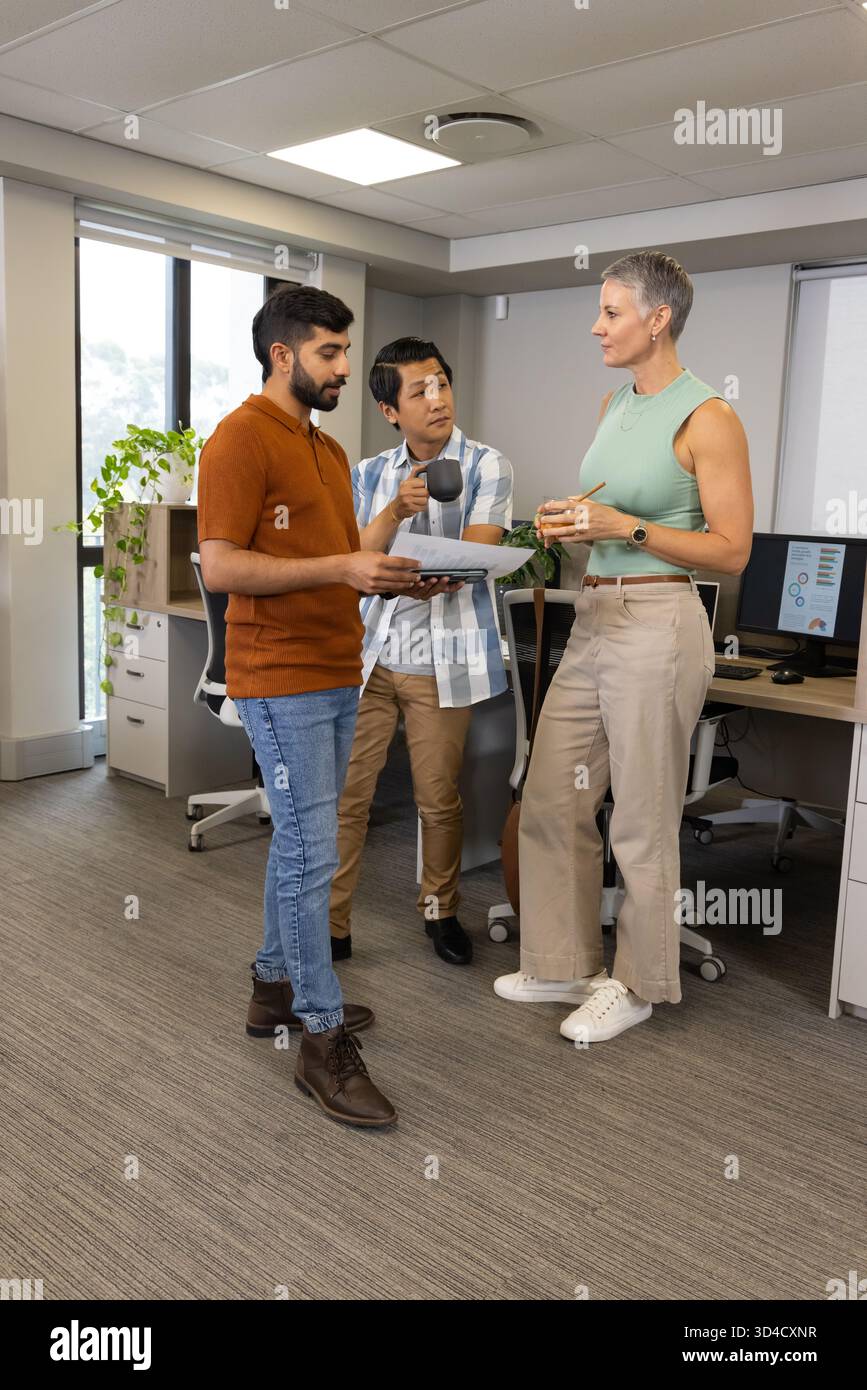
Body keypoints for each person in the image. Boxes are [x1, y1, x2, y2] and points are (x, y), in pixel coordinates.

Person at [494, 251, 754, 1043]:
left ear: (657, 318)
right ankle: (562, 961)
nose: (597, 325)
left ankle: (637, 984)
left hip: (658, 623)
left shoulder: (707, 416)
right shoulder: (615, 401)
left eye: (611, 312)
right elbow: (603, 515)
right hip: (596, 614)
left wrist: (625, 528)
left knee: (639, 817)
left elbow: (731, 550)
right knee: (550, 797)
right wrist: (568, 521)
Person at [197, 285, 432, 1128]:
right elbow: (221, 566)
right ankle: (320, 1038)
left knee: (306, 845)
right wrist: (341, 571)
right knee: (310, 851)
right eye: (330, 353)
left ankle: (272, 991)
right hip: (279, 674)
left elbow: (344, 554)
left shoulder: (327, 451)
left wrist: (395, 553)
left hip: (339, 666)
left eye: (344, 351)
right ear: (283, 356)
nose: (344, 368)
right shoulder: (237, 440)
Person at [328, 337, 514, 966]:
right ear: (390, 410)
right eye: (419, 390)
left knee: (438, 798)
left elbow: (479, 552)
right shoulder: (369, 472)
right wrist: (394, 510)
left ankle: (440, 913)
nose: (437, 400)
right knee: (348, 797)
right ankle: (332, 924)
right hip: (372, 656)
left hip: (444, 661)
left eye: (441, 383)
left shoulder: (488, 464)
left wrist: (426, 568)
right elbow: (357, 552)